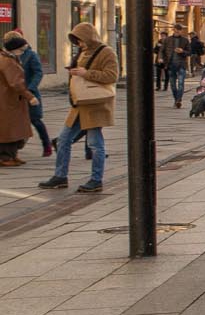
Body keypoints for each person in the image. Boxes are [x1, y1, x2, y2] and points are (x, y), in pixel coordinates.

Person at [40, 22, 117, 193]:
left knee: (95, 144)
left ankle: (96, 180)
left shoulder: (106, 52)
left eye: (80, 40)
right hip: (80, 104)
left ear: (89, 37)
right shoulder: (83, 52)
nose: (79, 44)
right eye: (76, 41)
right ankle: (60, 176)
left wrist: (85, 73)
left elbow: (112, 76)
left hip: (96, 104)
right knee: (63, 140)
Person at [7, 30, 51, 156]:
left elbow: (38, 72)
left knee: (35, 120)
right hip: (15, 94)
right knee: (15, 122)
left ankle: (46, 144)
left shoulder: (31, 55)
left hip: (29, 92)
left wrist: (31, 89)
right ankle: (15, 147)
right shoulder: (9, 56)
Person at [0, 35, 30, 166]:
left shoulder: (11, 58)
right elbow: (15, 83)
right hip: (8, 99)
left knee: (14, 129)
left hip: (11, 99)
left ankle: (12, 155)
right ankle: (6, 157)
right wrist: (30, 96)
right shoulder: (7, 61)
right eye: (21, 49)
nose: (22, 51)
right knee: (10, 130)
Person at [163, 27, 190, 109]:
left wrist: (182, 51)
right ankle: (176, 99)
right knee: (173, 85)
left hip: (181, 64)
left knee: (181, 83)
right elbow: (162, 50)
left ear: (181, 31)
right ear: (173, 30)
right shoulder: (167, 40)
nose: (177, 31)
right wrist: (160, 58)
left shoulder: (185, 40)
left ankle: (178, 100)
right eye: (176, 29)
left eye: (179, 30)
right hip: (171, 65)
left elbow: (189, 52)